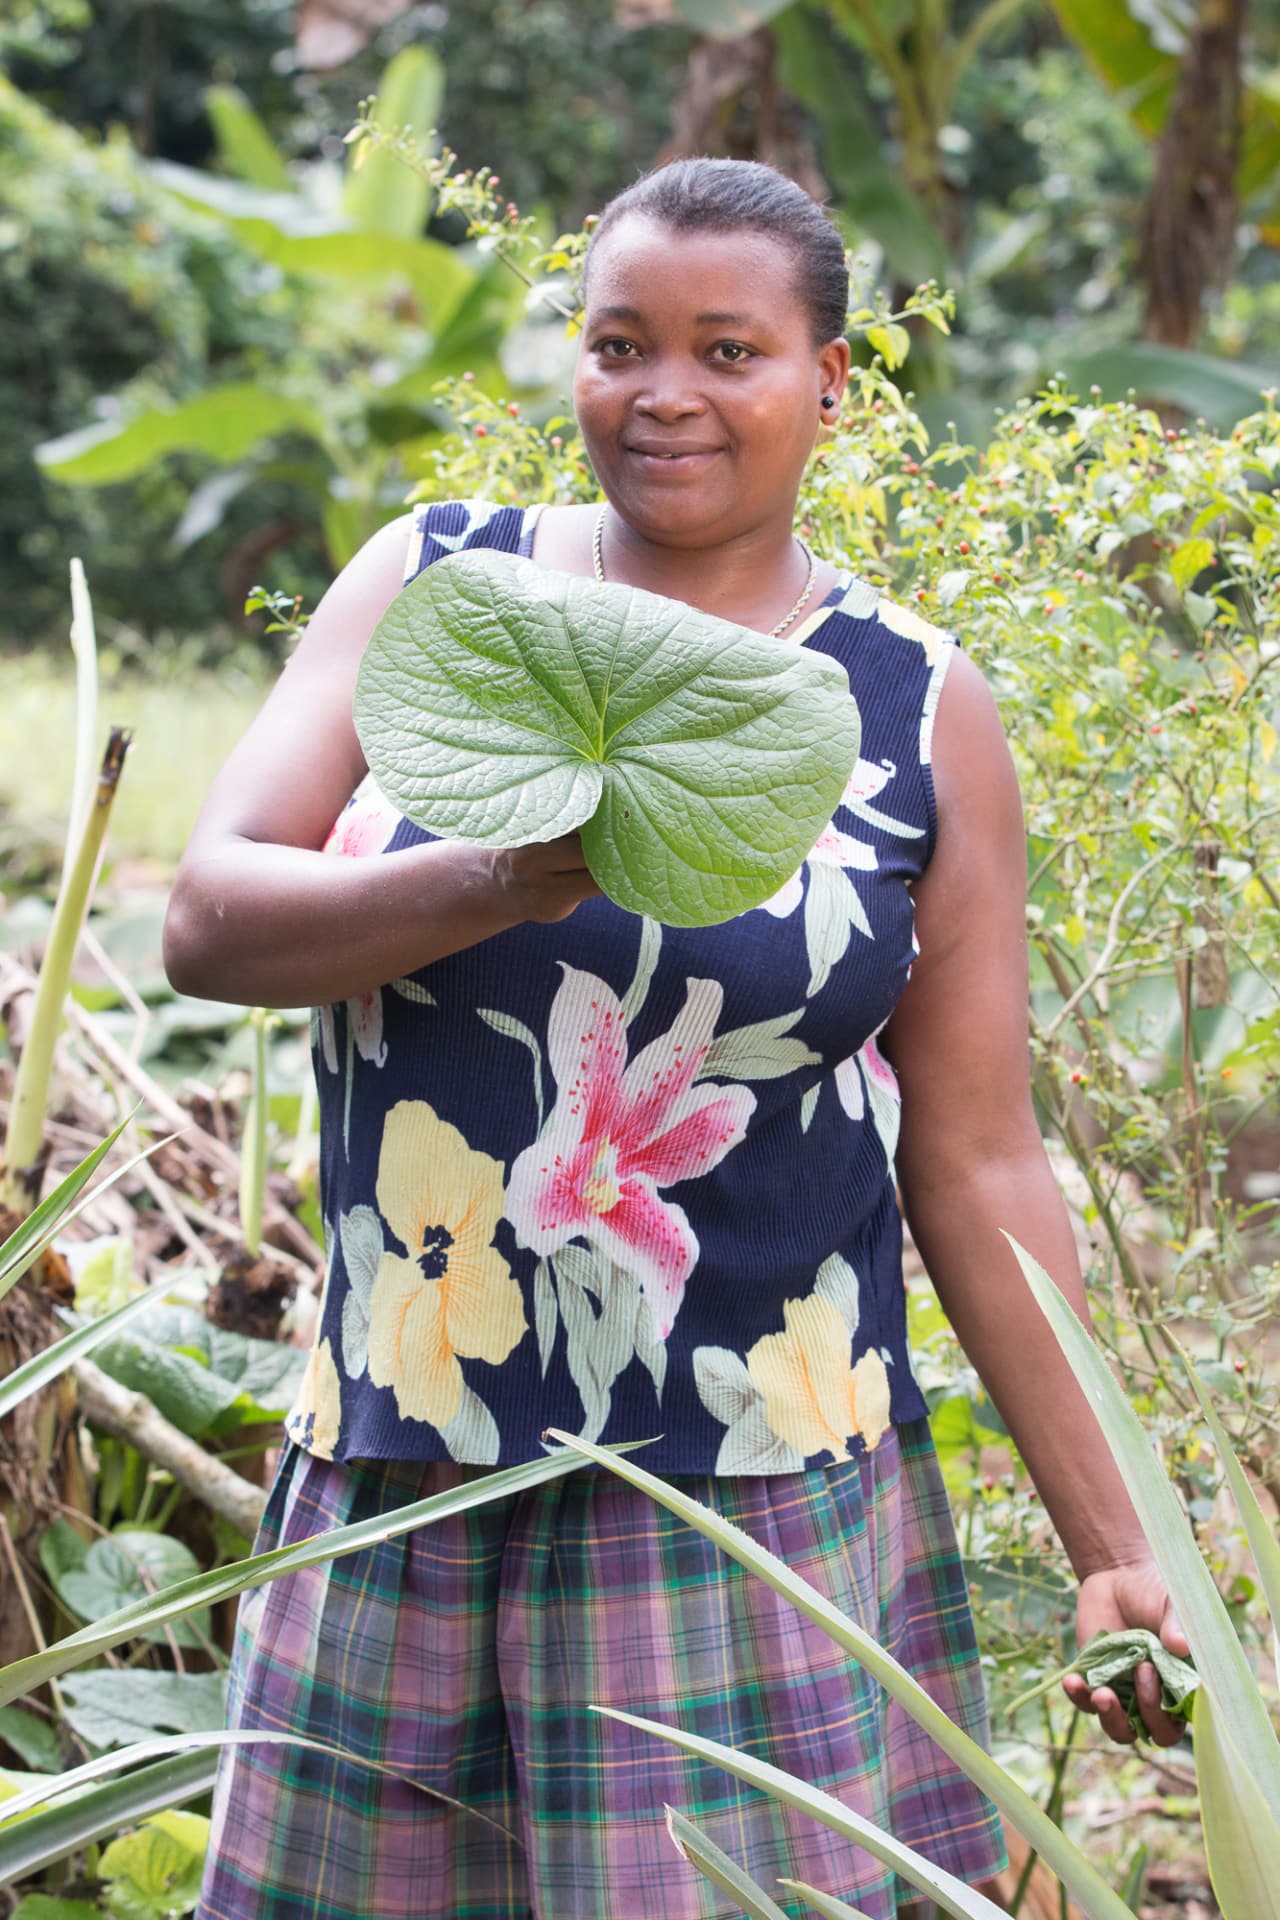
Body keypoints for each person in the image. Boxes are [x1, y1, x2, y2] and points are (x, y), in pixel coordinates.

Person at [169, 158, 1188, 1920]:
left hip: (748, 1491)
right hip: (414, 1450)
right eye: (620, 342)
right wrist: (504, 871)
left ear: (829, 381)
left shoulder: (910, 701)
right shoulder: (446, 593)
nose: (666, 395)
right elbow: (208, 919)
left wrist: (1118, 1549)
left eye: (731, 349)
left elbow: (977, 1153)